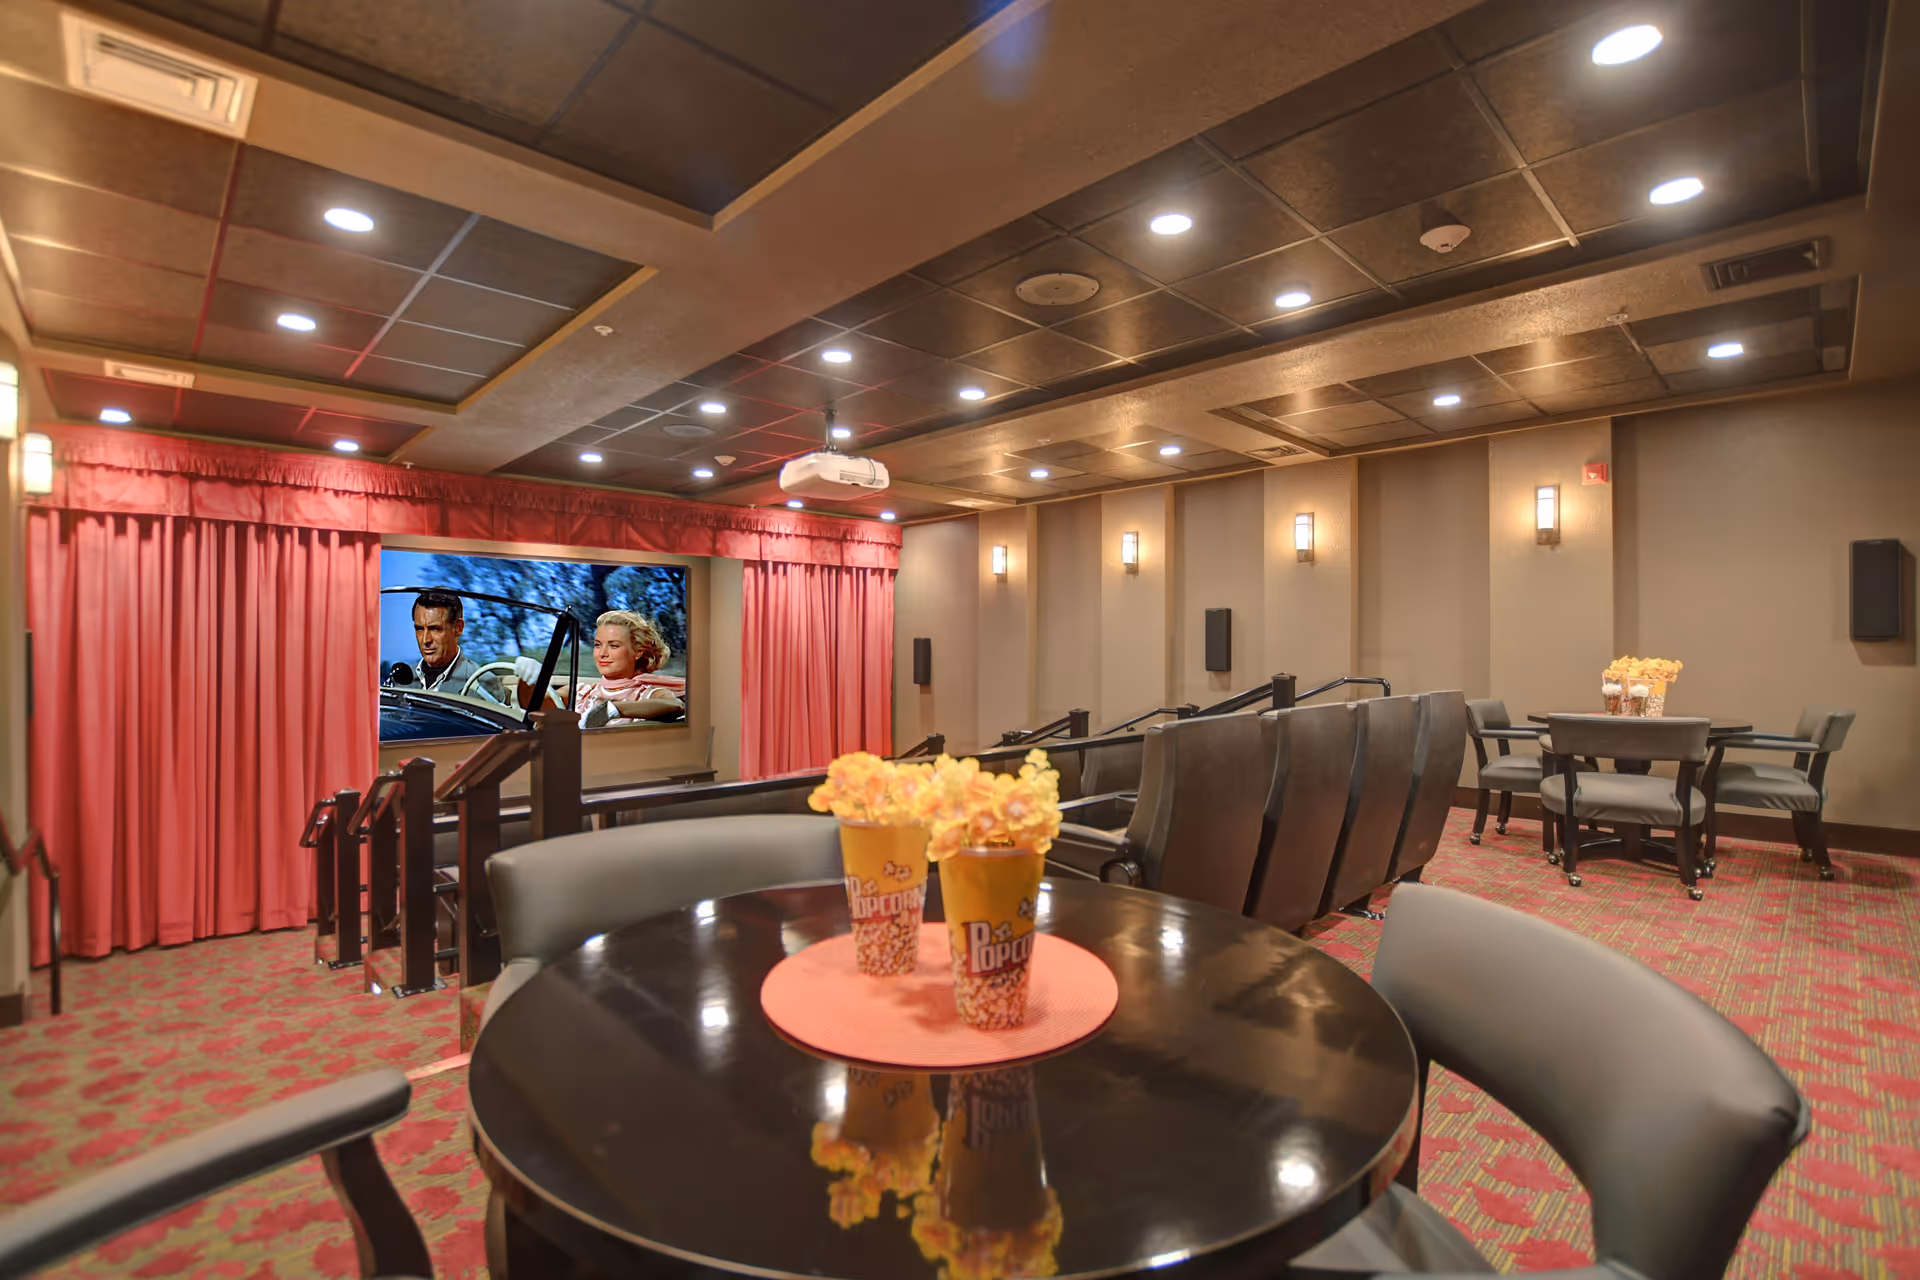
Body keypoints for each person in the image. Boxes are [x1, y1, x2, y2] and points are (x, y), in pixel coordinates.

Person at [515, 609, 685, 727]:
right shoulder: (582, 691)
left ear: (637, 652)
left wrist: (614, 710)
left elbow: (674, 705)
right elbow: (534, 707)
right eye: (597, 645)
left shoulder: (646, 693)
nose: (602, 653)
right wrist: (527, 679)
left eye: (614, 646)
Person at [389, 589, 504, 704]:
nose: (425, 640)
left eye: (435, 629)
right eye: (419, 629)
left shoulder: (482, 684)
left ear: (458, 628)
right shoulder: (402, 680)